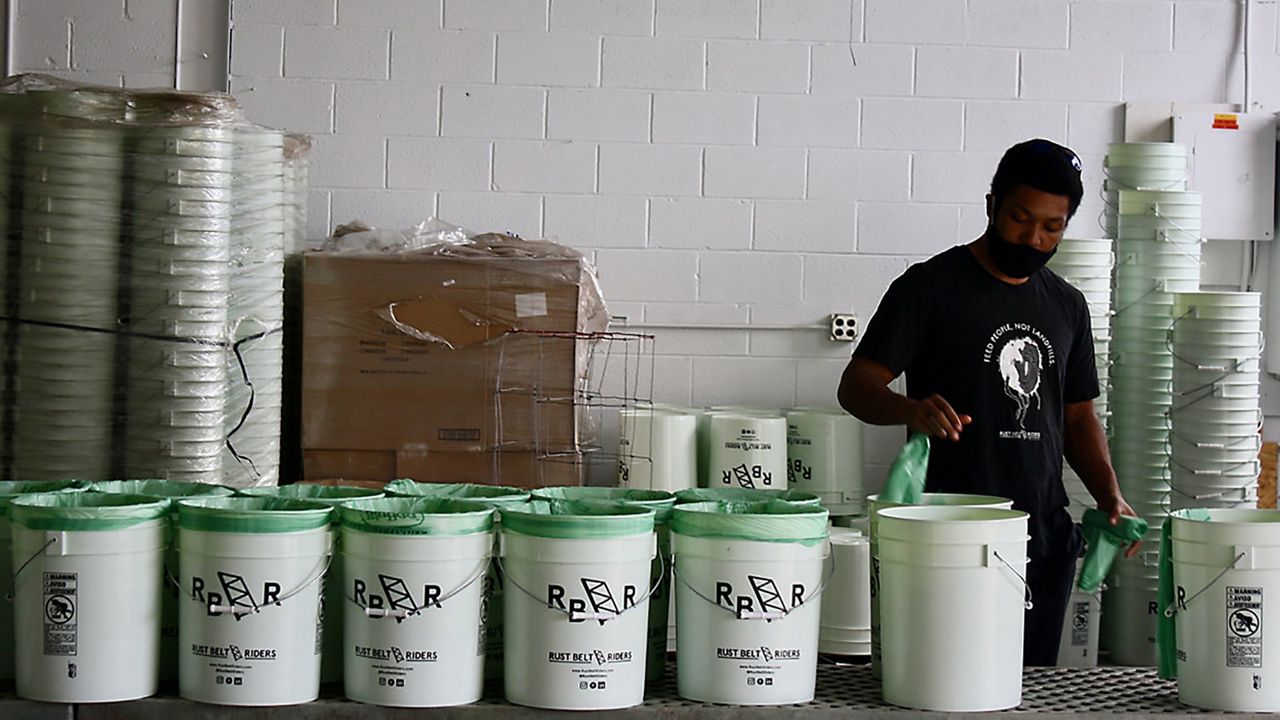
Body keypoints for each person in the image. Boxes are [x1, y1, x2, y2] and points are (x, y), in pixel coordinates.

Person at [837, 138, 1137, 666]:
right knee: (947, 683)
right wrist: (911, 410)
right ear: (991, 204)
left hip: (1040, 537)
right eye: (1021, 218)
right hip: (948, 532)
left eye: (1053, 227)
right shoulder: (928, 288)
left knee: (1027, 689)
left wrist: (1109, 496)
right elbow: (856, 386)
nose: (1034, 237)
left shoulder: (1067, 305)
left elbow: (1078, 416)